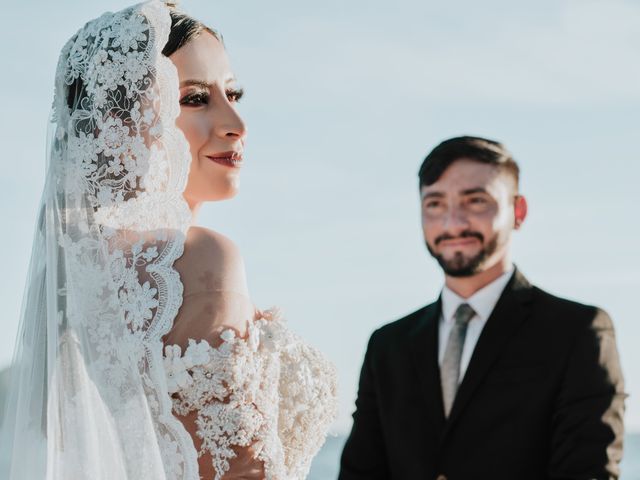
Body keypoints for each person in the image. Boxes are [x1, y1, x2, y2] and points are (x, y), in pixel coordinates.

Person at [0, 2, 337, 479]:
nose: (235, 125)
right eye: (195, 98)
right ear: (121, 123)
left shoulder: (65, 280)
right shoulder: (200, 260)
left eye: (233, 93)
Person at [339, 136, 626, 479]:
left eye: (475, 201)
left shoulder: (577, 331)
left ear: (518, 212)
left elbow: (588, 472)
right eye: (435, 204)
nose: (453, 223)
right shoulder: (387, 345)